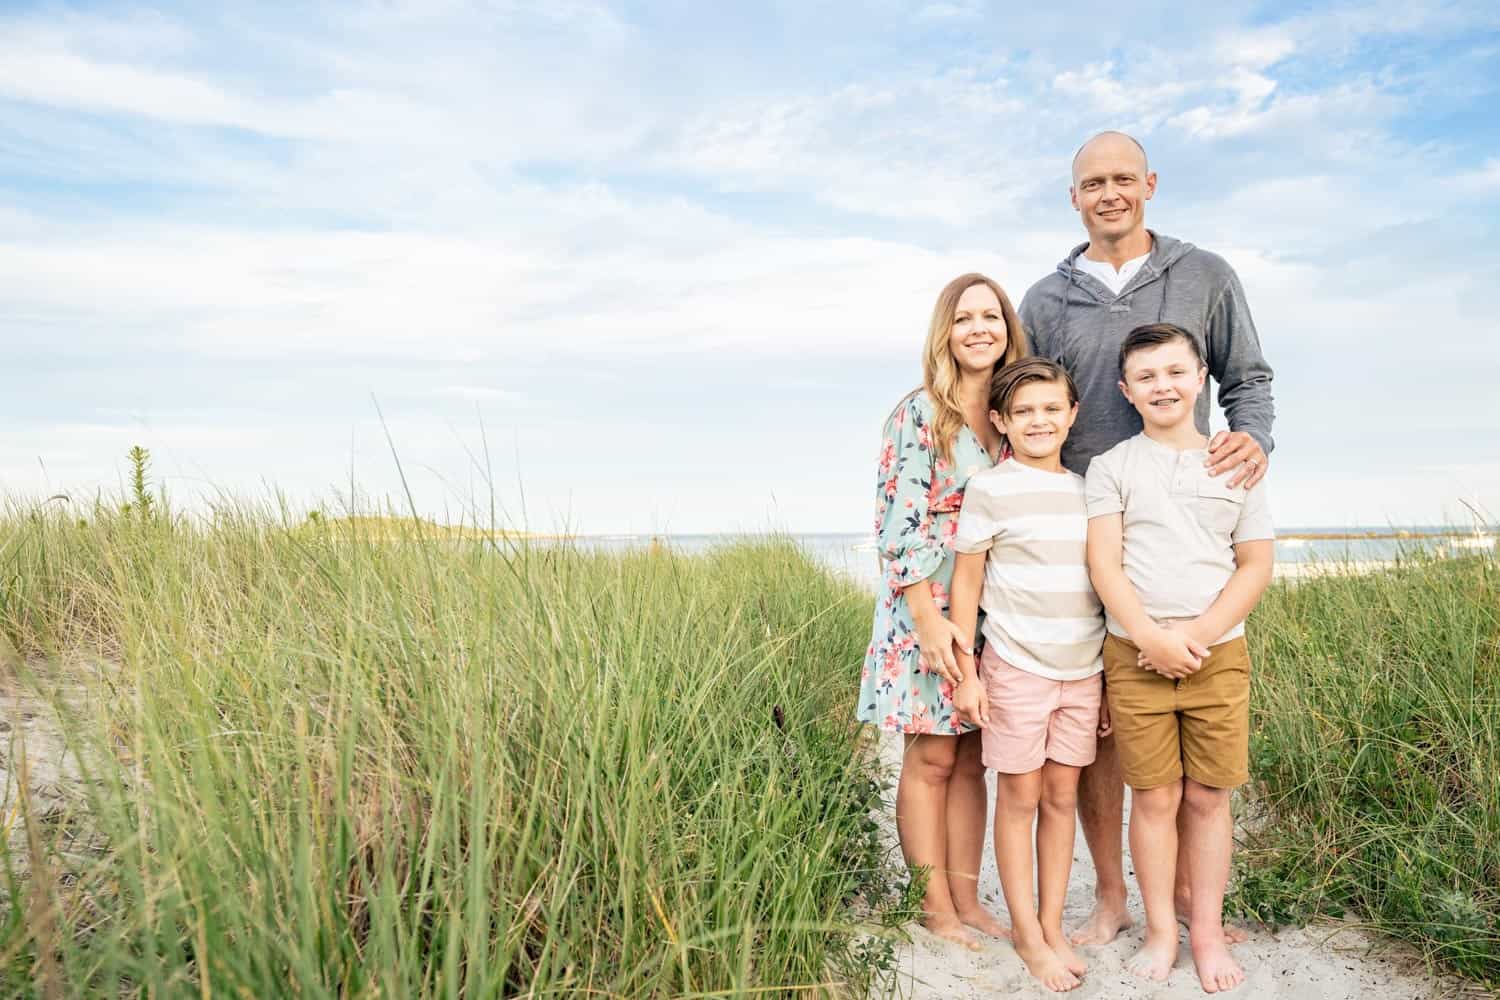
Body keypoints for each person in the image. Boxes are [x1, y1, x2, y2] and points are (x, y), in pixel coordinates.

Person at [1018, 130, 1275, 947]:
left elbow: (1248, 378)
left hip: (1182, 521)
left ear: (1150, 184)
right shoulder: (1045, 299)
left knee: (1189, 748)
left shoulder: (1206, 274)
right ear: (1074, 197)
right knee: (1102, 728)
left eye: (1123, 177)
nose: (1110, 192)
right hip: (1081, 524)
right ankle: (1111, 895)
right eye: (1093, 181)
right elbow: (1023, 399)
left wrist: (1253, 440)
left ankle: (1196, 905)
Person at [1084, 323, 1275, 992]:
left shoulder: (1235, 463)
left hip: (1217, 656)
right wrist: (1149, 636)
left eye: (1175, 372)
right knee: (1155, 795)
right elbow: (1104, 564)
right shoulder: (1112, 468)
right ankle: (1162, 931)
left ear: (1202, 380)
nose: (1162, 385)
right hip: (1135, 654)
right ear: (1125, 390)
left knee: (1207, 798)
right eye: (1146, 376)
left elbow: (1254, 564)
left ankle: (1205, 931)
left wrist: (1198, 634)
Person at [857, 272, 1029, 949]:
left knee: (971, 758)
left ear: (1009, 328)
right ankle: (933, 906)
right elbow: (894, 528)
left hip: (993, 609)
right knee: (930, 758)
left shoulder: (1015, 416)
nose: (979, 328)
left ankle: (967, 896)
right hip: (925, 608)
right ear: (945, 333)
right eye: (964, 319)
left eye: (991, 316)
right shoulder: (920, 413)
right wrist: (929, 622)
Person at [948, 358, 1107, 992]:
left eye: (1051, 409)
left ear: (1072, 415)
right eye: (1024, 412)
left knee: (1063, 799)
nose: (1039, 421)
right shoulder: (990, 488)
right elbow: (967, 585)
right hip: (1015, 668)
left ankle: (1049, 924)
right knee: (1019, 799)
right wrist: (967, 673)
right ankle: (1026, 933)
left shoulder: (1090, 489)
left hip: (1084, 669)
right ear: (1000, 421)